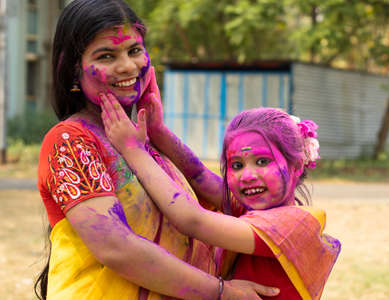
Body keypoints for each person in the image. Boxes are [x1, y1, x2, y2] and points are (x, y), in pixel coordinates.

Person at [35, 0, 281, 299]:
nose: (127, 66)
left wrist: (160, 134)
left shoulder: (143, 144)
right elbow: (116, 248)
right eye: (107, 56)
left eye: (134, 51)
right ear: (73, 69)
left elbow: (236, 204)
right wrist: (223, 293)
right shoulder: (71, 142)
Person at [99, 91, 342, 300]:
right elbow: (197, 176)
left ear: (297, 165)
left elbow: (192, 220)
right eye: (236, 165)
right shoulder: (255, 213)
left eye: (262, 161)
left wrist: (133, 150)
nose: (247, 175)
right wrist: (158, 130)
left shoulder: (292, 223)